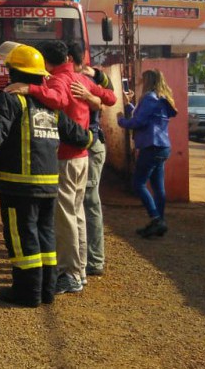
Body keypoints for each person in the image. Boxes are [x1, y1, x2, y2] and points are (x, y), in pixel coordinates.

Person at [0, 42, 93, 307]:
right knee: (46, 236)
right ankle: (46, 291)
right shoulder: (48, 103)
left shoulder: (11, 97)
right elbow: (78, 135)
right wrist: (93, 138)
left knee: (22, 238)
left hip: (18, 185)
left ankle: (27, 293)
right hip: (49, 184)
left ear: (13, 72)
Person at [4, 40, 112, 296]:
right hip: (82, 155)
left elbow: (58, 98)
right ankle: (80, 270)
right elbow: (111, 96)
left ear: (47, 62)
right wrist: (92, 96)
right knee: (77, 214)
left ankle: (71, 273)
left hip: (64, 156)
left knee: (64, 218)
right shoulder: (79, 78)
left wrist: (28, 88)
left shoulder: (57, 80)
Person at [66, 43, 116, 279]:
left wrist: (93, 88)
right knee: (77, 204)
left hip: (90, 145)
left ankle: (93, 260)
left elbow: (108, 99)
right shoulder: (72, 78)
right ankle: (81, 258)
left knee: (88, 201)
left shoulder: (88, 78)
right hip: (80, 147)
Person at [118, 69, 178, 239]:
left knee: (138, 184)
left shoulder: (149, 98)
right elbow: (145, 117)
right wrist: (129, 105)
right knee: (158, 187)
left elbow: (138, 121)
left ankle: (156, 219)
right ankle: (159, 222)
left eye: (143, 81)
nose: (140, 84)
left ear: (149, 81)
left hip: (151, 146)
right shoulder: (162, 99)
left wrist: (120, 120)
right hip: (162, 146)